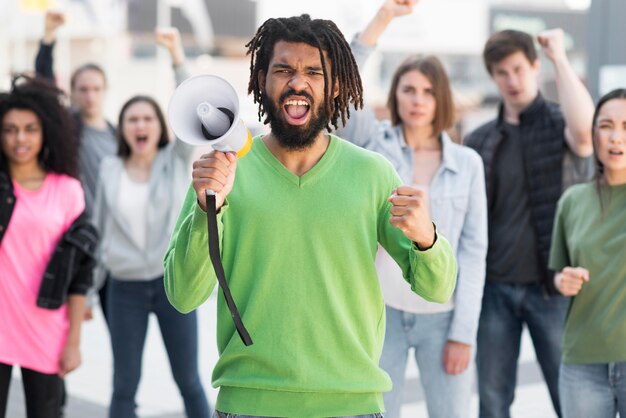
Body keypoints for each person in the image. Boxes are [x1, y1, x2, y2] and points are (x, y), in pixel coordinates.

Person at [164, 13, 457, 418]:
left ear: (334, 86)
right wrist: (204, 208)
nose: (297, 82)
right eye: (283, 70)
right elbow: (182, 295)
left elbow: (439, 288)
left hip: (352, 406)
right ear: (262, 80)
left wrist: (427, 238)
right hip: (248, 405)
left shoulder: (373, 173)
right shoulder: (221, 172)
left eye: (313, 73)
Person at [335, 1, 488, 417]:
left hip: (443, 318)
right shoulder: (371, 145)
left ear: (441, 98)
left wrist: (464, 334)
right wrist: (382, 19)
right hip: (380, 312)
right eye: (408, 89)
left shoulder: (468, 163)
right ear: (395, 94)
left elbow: (474, 253)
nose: (418, 100)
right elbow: (340, 82)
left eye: (427, 91)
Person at [464, 28, 595, 418]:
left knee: (569, 397)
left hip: (550, 289)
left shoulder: (559, 125)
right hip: (494, 291)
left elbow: (586, 134)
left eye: (519, 69)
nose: (512, 80)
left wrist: (559, 55)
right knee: (492, 400)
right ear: (493, 77)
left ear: (535, 68)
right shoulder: (480, 140)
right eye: (502, 72)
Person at [91, 28, 211, 418]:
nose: (140, 124)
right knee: (124, 386)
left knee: (189, 381)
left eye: (147, 118)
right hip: (123, 287)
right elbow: (99, 227)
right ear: (123, 128)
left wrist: (177, 55)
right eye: (131, 119)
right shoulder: (109, 168)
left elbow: (195, 107)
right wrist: (91, 289)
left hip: (170, 284)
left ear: (160, 126)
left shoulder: (174, 161)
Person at [0, 76, 97, 418]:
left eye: (30, 128)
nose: (20, 138)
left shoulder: (68, 190)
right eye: (10, 129)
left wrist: (73, 343)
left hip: (46, 327)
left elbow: (80, 274)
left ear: (46, 134)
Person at [35, 10, 118, 322]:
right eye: (83, 89)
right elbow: (42, 91)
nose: (90, 95)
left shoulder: (117, 135)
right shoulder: (67, 129)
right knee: (61, 331)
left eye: (96, 88)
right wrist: (48, 38)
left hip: (110, 249)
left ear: (105, 91)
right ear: (73, 92)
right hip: (73, 242)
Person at [549, 88, 626, 418]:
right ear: (593, 133)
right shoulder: (572, 201)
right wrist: (562, 281)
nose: (615, 137)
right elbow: (557, 273)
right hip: (582, 365)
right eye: (606, 125)